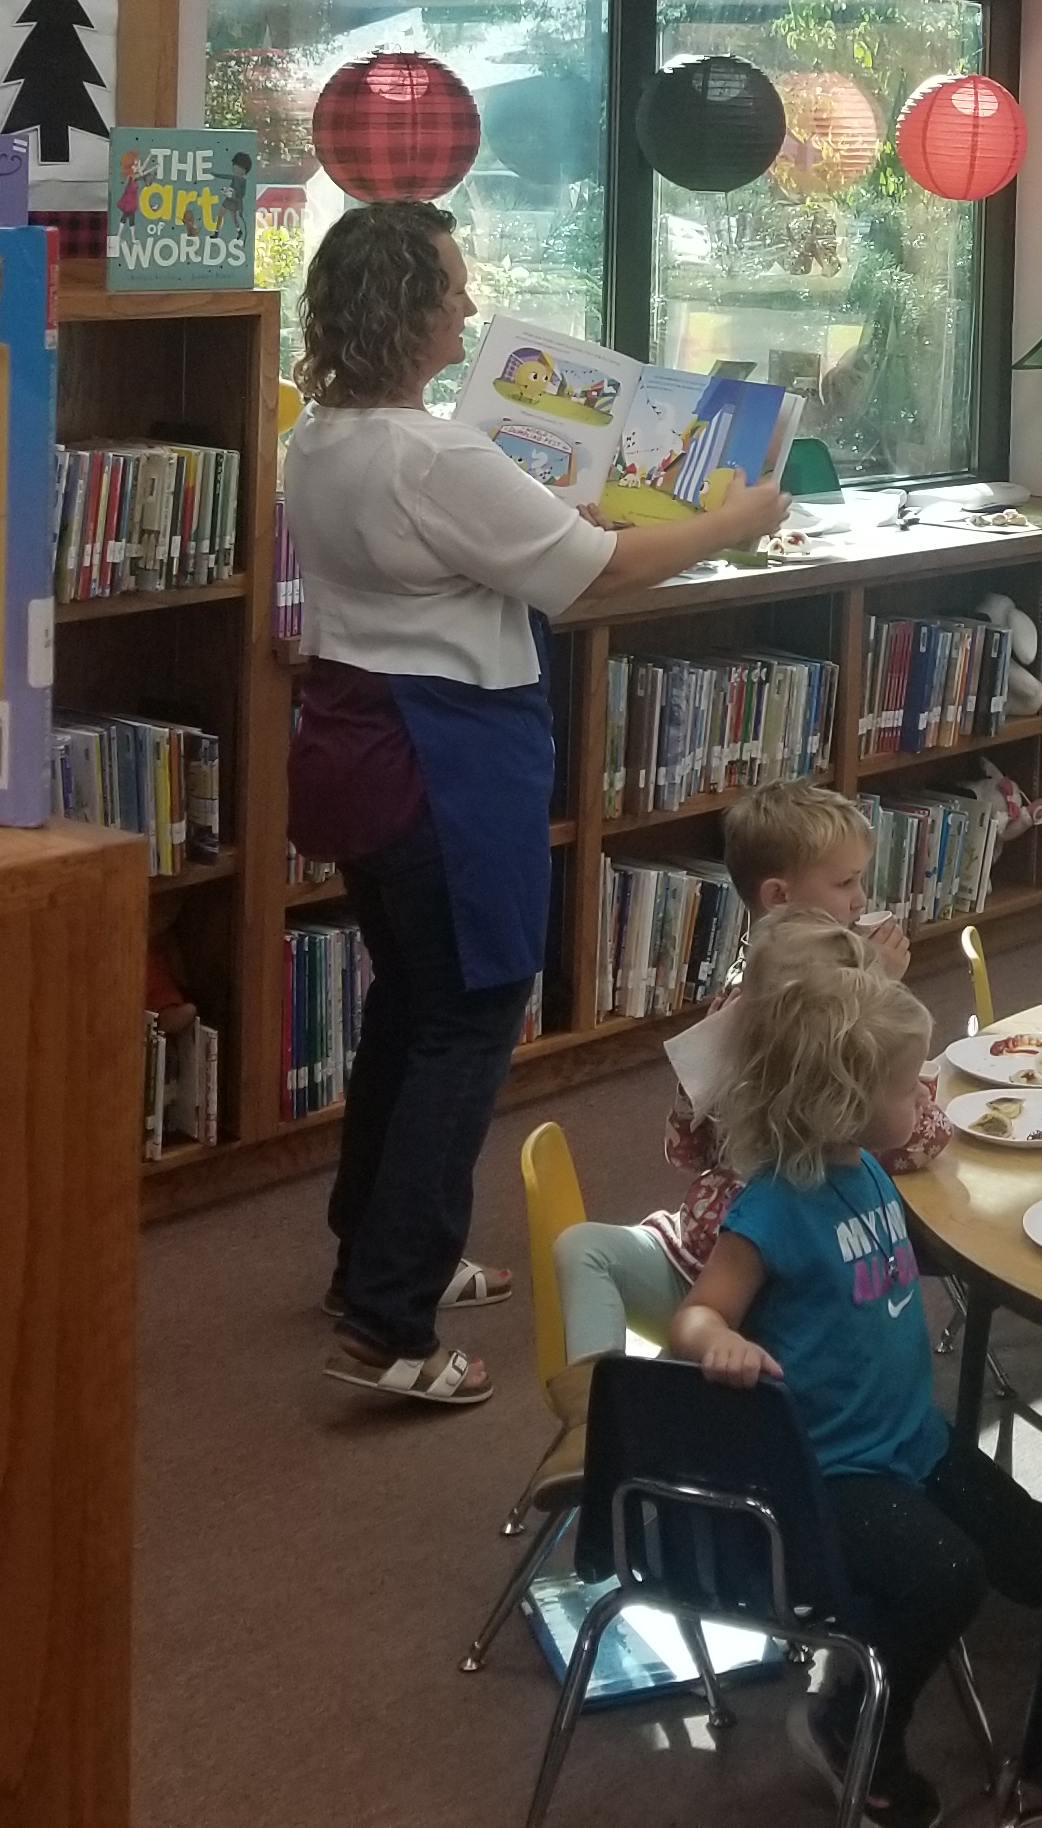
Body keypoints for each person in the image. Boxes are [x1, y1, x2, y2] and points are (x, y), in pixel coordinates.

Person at [282, 198, 788, 1409]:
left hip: (358, 741)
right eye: (451, 285)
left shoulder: (320, 437)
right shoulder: (435, 455)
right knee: (470, 1018)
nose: (468, 302)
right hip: (447, 757)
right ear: (408, 308)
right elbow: (600, 574)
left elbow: (473, 556)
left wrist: (565, 527)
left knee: (413, 1003)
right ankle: (388, 1325)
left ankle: (371, 1255)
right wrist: (735, 521)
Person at [674, 952, 1042, 1826]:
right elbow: (699, 1314)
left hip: (909, 1440)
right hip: (831, 1472)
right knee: (948, 1577)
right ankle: (847, 1720)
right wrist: (721, 1344)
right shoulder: (771, 1208)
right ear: (840, 1101)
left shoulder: (864, 1166)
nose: (923, 1099)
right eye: (908, 1088)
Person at [551, 785, 953, 1358]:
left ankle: (601, 1398)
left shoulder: (736, 995)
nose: (860, 900)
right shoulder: (819, 1025)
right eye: (845, 883)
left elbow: (685, 1146)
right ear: (779, 897)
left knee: (585, 1248)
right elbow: (912, 1137)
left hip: (703, 1240)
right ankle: (615, 1397)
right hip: (790, 1274)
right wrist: (876, 995)